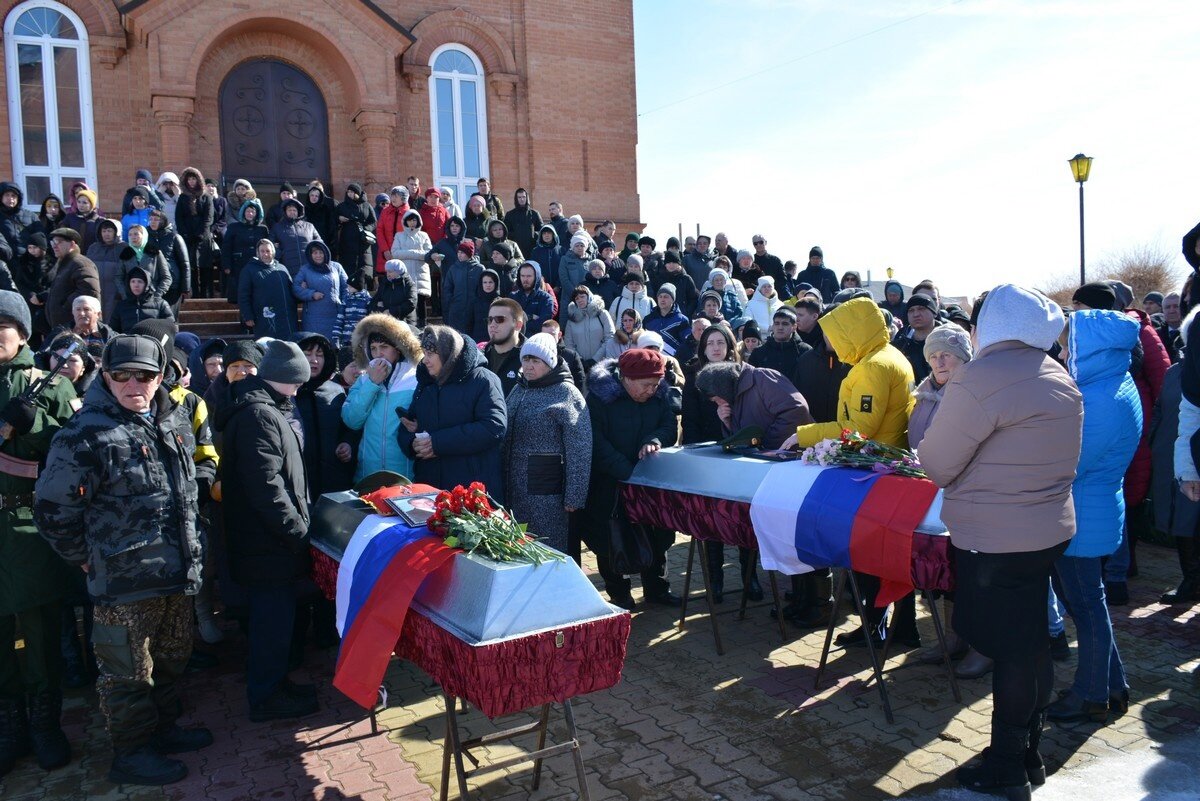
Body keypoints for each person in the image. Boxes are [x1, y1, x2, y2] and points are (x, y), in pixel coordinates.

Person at [919, 284, 1083, 800]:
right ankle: (1027, 753)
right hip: (1045, 531)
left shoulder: (983, 376)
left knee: (1012, 652)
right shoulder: (1054, 372)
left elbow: (937, 462)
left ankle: (1008, 767)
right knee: (1031, 644)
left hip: (994, 539)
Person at [35, 334, 212, 785]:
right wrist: (85, 558)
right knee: (128, 673)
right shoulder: (84, 434)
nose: (135, 384)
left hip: (177, 573)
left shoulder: (172, 421)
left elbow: (189, 489)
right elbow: (53, 510)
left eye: (146, 375)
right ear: (106, 377)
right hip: (123, 583)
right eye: (122, 375)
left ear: (160, 378)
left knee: (172, 658)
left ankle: (163, 730)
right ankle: (131, 754)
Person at [215, 340, 318, 722]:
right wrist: (296, 531)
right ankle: (266, 695)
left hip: (264, 543)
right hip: (267, 544)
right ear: (287, 379)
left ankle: (274, 682)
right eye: (298, 382)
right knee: (270, 623)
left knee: (273, 622)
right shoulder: (260, 414)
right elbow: (268, 487)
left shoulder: (262, 407)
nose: (300, 389)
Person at [1046, 309, 1140, 724]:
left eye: (1070, 344)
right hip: (1092, 508)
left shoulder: (1102, 397)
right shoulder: (1112, 383)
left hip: (1082, 514)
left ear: (1092, 348)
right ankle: (1113, 685)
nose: (1064, 351)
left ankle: (1090, 695)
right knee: (1090, 605)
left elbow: (1071, 462)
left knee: (1086, 608)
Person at [0, 292, 78, 779]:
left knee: (41, 633)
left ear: (23, 335)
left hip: (28, 527)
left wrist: (36, 424)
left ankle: (47, 725)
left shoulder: (44, 385)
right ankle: (10, 727)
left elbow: (72, 447)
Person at [902, 325, 981, 671]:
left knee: (971, 574)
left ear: (963, 357)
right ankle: (951, 639)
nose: (938, 360)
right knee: (946, 569)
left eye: (946, 354)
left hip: (965, 494)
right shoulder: (923, 393)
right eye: (933, 355)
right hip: (929, 496)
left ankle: (979, 645)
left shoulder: (971, 392)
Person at [580, 349, 681, 610]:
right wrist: (625, 470)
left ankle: (657, 587)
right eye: (646, 385)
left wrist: (654, 440)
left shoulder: (659, 395)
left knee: (658, 535)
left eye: (656, 385)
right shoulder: (600, 398)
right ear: (626, 378)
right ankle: (619, 593)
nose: (651, 390)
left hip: (649, 480)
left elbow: (669, 427)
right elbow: (596, 442)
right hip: (610, 481)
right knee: (611, 539)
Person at [502, 333, 591, 553]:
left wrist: (575, 496)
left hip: (547, 491)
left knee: (547, 549)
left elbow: (580, 448)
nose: (529, 366)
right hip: (513, 486)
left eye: (536, 361)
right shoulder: (519, 388)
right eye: (526, 360)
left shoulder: (566, 393)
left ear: (550, 363)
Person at [399, 325, 507, 499]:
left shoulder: (483, 379)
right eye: (424, 354)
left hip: (470, 492)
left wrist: (437, 443)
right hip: (430, 487)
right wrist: (412, 443)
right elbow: (408, 425)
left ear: (448, 353)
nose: (425, 360)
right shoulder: (426, 384)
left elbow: (493, 427)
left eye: (430, 354)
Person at [341, 314, 422, 483]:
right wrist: (372, 384)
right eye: (373, 348)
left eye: (384, 347)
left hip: (406, 477)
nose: (378, 354)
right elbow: (351, 420)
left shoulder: (416, 379)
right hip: (367, 475)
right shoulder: (363, 379)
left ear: (398, 349)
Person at [292, 241, 349, 343]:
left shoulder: (337, 267)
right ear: (310, 255)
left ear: (326, 253)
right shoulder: (305, 270)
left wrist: (343, 305)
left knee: (333, 348)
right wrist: (311, 294)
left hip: (335, 316)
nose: (318, 255)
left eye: (321, 252)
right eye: (315, 253)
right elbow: (296, 288)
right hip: (313, 318)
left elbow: (346, 287)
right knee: (315, 346)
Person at [238, 240, 296, 338]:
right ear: (258, 253)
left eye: (268, 251)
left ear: (273, 252)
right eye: (262, 251)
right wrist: (248, 316)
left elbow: (292, 290)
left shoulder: (282, 268)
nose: (265, 254)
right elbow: (243, 295)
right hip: (264, 318)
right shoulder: (249, 270)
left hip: (286, 318)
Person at [45, 229, 100, 332]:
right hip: (63, 327)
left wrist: (64, 307)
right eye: (52, 242)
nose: (54, 246)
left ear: (72, 244)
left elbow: (89, 292)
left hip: (78, 329)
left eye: (58, 242)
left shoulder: (81, 264)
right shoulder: (63, 263)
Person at [173, 168, 215, 299]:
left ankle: (205, 294)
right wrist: (185, 233)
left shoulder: (206, 197)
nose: (191, 182)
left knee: (205, 267)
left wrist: (201, 233)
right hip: (188, 237)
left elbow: (209, 217)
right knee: (191, 266)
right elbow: (179, 217)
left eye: (194, 179)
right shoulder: (182, 197)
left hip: (203, 237)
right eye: (189, 179)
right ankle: (194, 294)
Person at [390, 210, 433, 327]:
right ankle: (410, 326)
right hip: (406, 273)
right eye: (410, 220)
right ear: (405, 221)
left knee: (421, 301)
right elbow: (395, 253)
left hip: (421, 273)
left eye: (414, 220)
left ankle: (423, 326)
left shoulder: (424, 235)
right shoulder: (399, 236)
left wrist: (408, 253)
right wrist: (417, 254)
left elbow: (428, 253)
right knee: (408, 301)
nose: (412, 223)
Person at [221, 199, 267, 305]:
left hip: (257, 266)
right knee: (241, 295)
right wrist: (227, 266)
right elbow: (227, 247)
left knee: (256, 294)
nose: (250, 214)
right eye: (247, 211)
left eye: (253, 211)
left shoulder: (263, 229)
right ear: (243, 212)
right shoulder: (234, 227)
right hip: (238, 266)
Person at [146, 209, 189, 313]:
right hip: (152, 284)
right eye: (150, 219)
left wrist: (185, 288)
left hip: (173, 284)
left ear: (163, 221)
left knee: (171, 317)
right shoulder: (145, 236)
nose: (152, 221)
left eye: (156, 219)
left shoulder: (174, 237)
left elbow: (184, 264)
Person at [750, 307, 811, 378]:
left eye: (785, 324)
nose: (780, 327)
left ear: (794, 327)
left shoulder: (805, 352)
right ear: (772, 326)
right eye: (777, 323)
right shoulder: (759, 353)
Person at [109, 266, 174, 333]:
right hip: (127, 342)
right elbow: (113, 330)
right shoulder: (121, 306)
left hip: (152, 342)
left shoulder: (161, 304)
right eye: (133, 281)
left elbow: (170, 328)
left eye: (140, 282)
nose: (136, 285)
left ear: (147, 284)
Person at [483, 298, 526, 397]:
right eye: (490, 320)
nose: (492, 325)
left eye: (500, 319)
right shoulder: (479, 356)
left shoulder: (531, 358)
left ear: (518, 325)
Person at [118, 225, 172, 303]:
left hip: (152, 298)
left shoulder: (154, 252)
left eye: (136, 234)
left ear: (144, 235)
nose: (133, 237)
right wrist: (125, 295)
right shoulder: (125, 254)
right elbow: (118, 277)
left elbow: (166, 277)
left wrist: (157, 295)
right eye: (130, 235)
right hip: (131, 299)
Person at [564, 285, 614, 368]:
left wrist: (595, 359)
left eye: (582, 297)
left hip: (602, 364)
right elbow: (569, 343)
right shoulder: (571, 320)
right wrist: (579, 360)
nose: (579, 300)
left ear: (589, 297)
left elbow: (610, 337)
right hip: (580, 366)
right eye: (576, 298)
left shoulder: (602, 314)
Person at [270, 199, 321, 278]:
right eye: (289, 210)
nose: (292, 212)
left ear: (299, 212)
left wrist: (314, 254)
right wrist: (280, 252)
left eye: (294, 210)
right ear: (285, 211)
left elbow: (320, 243)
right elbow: (270, 245)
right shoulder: (277, 227)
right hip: (287, 269)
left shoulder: (309, 226)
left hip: (309, 267)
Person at [893, 294, 939, 382]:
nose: (916, 314)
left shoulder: (948, 342)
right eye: (911, 310)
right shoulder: (898, 347)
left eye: (921, 309)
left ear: (934, 312)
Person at [88, 219, 125, 318]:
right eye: (104, 231)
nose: (106, 234)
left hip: (115, 292)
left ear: (116, 232)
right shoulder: (93, 248)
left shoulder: (124, 248)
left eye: (109, 231)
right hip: (96, 290)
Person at [643, 283, 690, 358]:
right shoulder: (648, 319)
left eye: (666, 297)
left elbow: (686, 343)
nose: (662, 299)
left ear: (673, 299)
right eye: (660, 297)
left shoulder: (681, 320)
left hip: (673, 360)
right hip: (652, 359)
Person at [510, 262, 555, 335]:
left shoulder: (546, 298)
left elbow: (543, 325)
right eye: (522, 276)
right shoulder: (513, 296)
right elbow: (509, 322)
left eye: (529, 276)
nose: (525, 279)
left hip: (536, 340)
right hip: (515, 341)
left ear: (536, 277)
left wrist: (519, 324)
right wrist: (530, 317)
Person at [368, 258, 418, 324]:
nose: (388, 274)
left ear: (398, 271)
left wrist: (391, 311)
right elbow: (373, 303)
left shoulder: (409, 284)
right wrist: (382, 310)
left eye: (390, 271)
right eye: (387, 272)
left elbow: (410, 304)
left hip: (406, 322)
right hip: (387, 322)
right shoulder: (385, 283)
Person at [375, 187, 410, 277]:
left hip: (402, 254)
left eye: (396, 196)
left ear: (403, 198)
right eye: (392, 196)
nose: (393, 198)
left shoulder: (409, 213)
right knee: (384, 282)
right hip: (385, 254)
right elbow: (379, 230)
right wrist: (385, 250)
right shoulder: (385, 211)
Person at [502, 188, 543, 259]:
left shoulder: (534, 214)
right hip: (515, 250)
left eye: (524, 197)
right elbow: (505, 232)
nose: (522, 199)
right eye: (519, 197)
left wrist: (533, 234)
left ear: (527, 198)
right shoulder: (510, 215)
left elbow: (541, 230)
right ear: (516, 199)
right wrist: (516, 235)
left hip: (532, 249)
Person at [63, 188, 104, 255]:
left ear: (91, 205)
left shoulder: (98, 220)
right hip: (72, 255)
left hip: (92, 255)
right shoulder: (70, 218)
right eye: (79, 202)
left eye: (85, 203)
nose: (81, 205)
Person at [530, 224, 564, 292]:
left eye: (549, 233)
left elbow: (564, 269)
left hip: (559, 288)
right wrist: (541, 284)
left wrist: (558, 285)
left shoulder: (561, 250)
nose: (546, 235)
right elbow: (534, 269)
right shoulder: (536, 251)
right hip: (542, 288)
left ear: (553, 234)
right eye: (544, 233)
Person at [302, 184, 336, 249]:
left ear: (319, 197)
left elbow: (331, 227)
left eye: (316, 196)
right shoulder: (304, 210)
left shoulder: (325, 209)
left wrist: (331, 242)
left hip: (323, 242)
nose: (314, 197)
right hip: (308, 242)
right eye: (312, 195)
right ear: (308, 196)